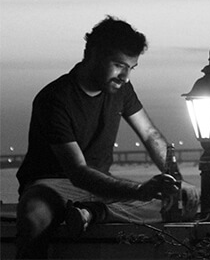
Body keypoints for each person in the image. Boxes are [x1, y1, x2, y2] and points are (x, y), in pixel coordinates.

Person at [15, 16, 200, 259]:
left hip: (99, 188)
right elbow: (78, 172)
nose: (126, 77)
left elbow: (150, 134)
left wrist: (175, 181)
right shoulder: (54, 99)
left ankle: (93, 212)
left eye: (131, 68)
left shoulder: (121, 90)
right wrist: (140, 191)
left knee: (185, 200)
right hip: (52, 185)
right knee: (33, 216)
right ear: (91, 54)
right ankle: (94, 212)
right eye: (119, 65)